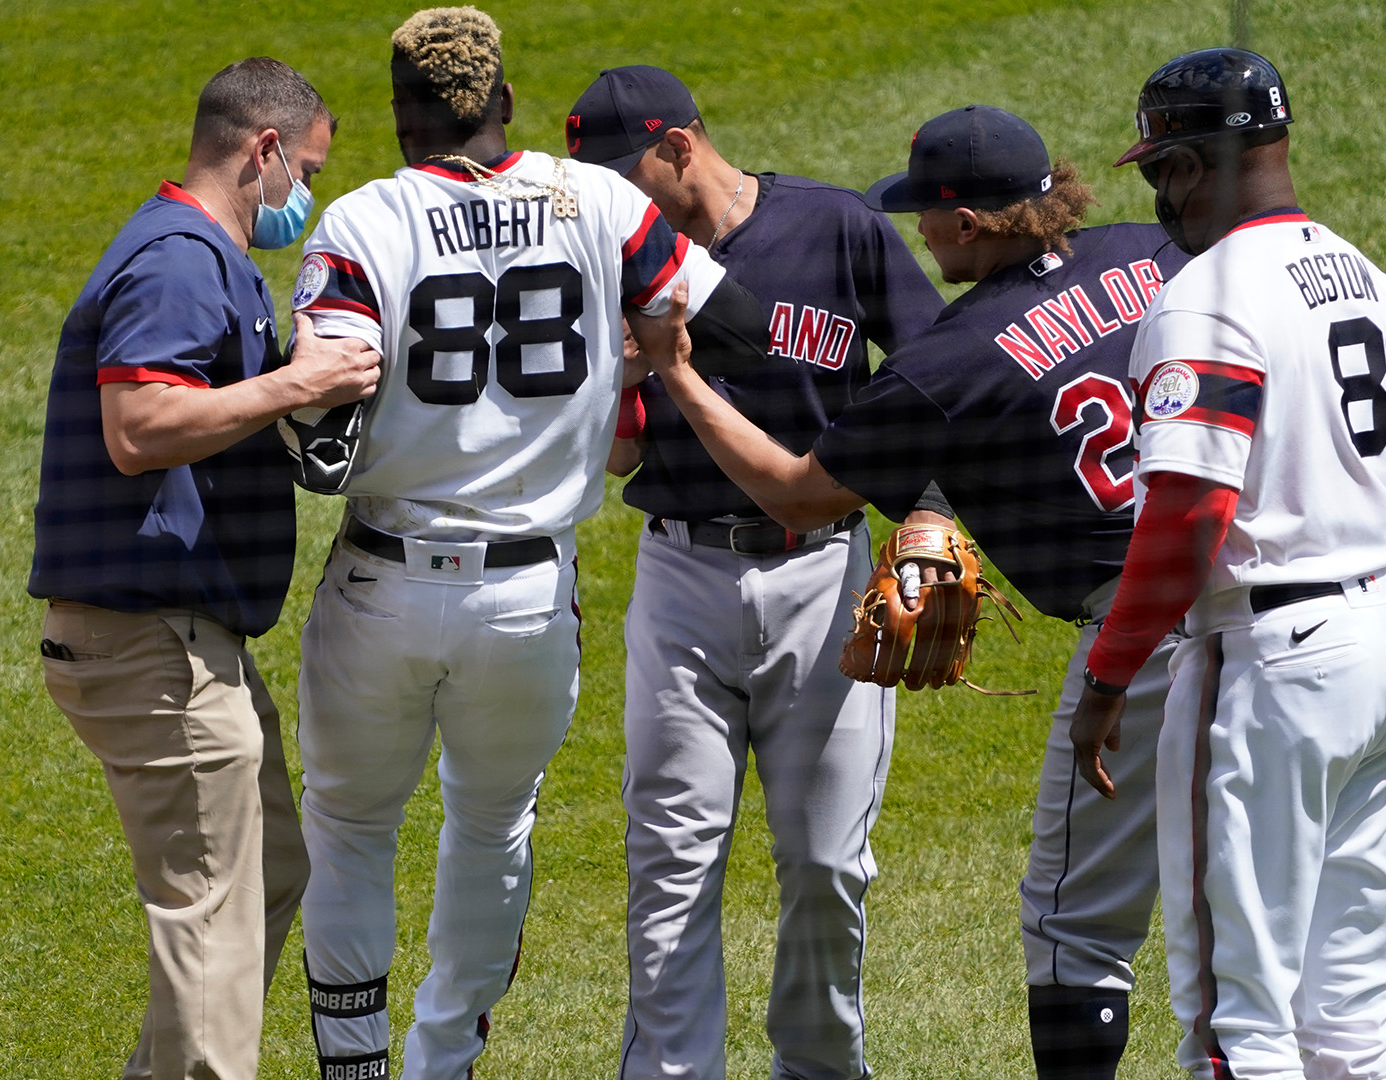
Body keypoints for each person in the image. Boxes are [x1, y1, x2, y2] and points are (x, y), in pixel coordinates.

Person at [626, 105, 1193, 1080]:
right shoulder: (1152, 251)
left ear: (967, 224)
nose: (916, 235)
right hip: (1279, 600)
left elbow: (796, 489)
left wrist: (678, 373)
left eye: (925, 216)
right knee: (1255, 909)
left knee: (1074, 931)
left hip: (1139, 633)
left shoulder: (956, 356)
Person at [287, 11, 770, 1078]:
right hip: (526, 598)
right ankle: (443, 1058)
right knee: (493, 825)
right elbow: (733, 322)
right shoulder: (593, 197)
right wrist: (616, 360)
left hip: (383, 583)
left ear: (402, 113)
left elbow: (321, 436)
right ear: (501, 101)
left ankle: (356, 1067)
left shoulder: (365, 221)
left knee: (352, 826)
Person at [565, 65, 946, 1080]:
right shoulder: (609, 259)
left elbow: (941, 377)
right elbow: (617, 452)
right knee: (672, 864)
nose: (611, 196)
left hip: (824, 580)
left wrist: (928, 523)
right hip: (682, 581)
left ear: (680, 146)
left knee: (826, 864)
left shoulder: (836, 229)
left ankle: (820, 1069)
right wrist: (632, 370)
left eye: (622, 172)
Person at [27, 57, 381, 1080]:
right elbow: (137, 427)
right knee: (212, 926)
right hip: (152, 648)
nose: (305, 195)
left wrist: (284, 383)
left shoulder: (199, 253)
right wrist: (297, 384)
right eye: (306, 168)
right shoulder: (181, 256)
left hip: (180, 643)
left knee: (267, 870)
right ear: (263, 150)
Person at [1070, 48, 1386, 1080]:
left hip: (1274, 660)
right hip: (1375, 640)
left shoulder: (1209, 294)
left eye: (1164, 170)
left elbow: (1189, 512)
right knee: (1352, 1012)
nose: (1161, 196)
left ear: (1199, 165)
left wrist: (1109, 674)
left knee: (1235, 1021)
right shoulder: (1361, 274)